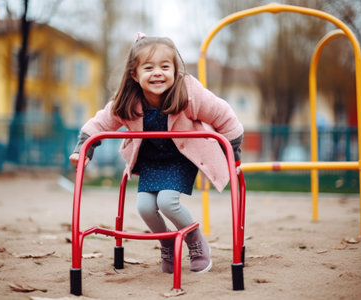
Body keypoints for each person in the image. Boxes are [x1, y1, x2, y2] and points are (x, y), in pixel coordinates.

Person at [69, 32, 244, 274]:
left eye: (165, 66)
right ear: (135, 74)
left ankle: (195, 242)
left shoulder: (189, 93)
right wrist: (84, 147)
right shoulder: (128, 100)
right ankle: (168, 244)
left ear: (175, 70)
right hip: (151, 161)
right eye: (148, 67)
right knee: (144, 207)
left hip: (181, 159)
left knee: (167, 202)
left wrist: (233, 151)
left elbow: (224, 115)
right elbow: (99, 123)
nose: (157, 73)